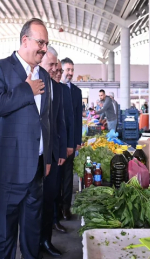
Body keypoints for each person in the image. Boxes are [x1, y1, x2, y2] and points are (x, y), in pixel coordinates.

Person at [0, 18, 52, 259]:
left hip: (35, 169)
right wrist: (27, 90)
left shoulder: (44, 74)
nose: (44, 48)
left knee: (32, 235)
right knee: (4, 237)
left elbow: (46, 119)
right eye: (41, 42)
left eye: (46, 43)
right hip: (8, 171)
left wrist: (47, 157)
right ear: (25, 40)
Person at [39, 46, 67, 257]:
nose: (55, 68)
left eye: (56, 64)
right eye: (51, 64)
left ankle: (46, 240)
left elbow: (59, 123)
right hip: (33, 155)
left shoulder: (56, 88)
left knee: (49, 200)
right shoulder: (31, 85)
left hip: (51, 155)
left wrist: (59, 153)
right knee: (33, 204)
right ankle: (32, 243)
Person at [60, 57, 82, 220]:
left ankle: (66, 208)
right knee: (56, 178)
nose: (70, 73)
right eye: (67, 70)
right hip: (57, 141)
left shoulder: (76, 92)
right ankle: (55, 210)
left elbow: (77, 120)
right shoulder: (56, 88)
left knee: (68, 178)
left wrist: (77, 142)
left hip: (70, 143)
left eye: (72, 70)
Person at [53, 59, 71, 231]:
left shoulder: (63, 90)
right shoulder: (42, 86)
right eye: (56, 69)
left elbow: (67, 121)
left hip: (59, 145)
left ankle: (56, 216)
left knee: (58, 182)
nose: (58, 73)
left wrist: (68, 145)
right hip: (47, 147)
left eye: (60, 70)